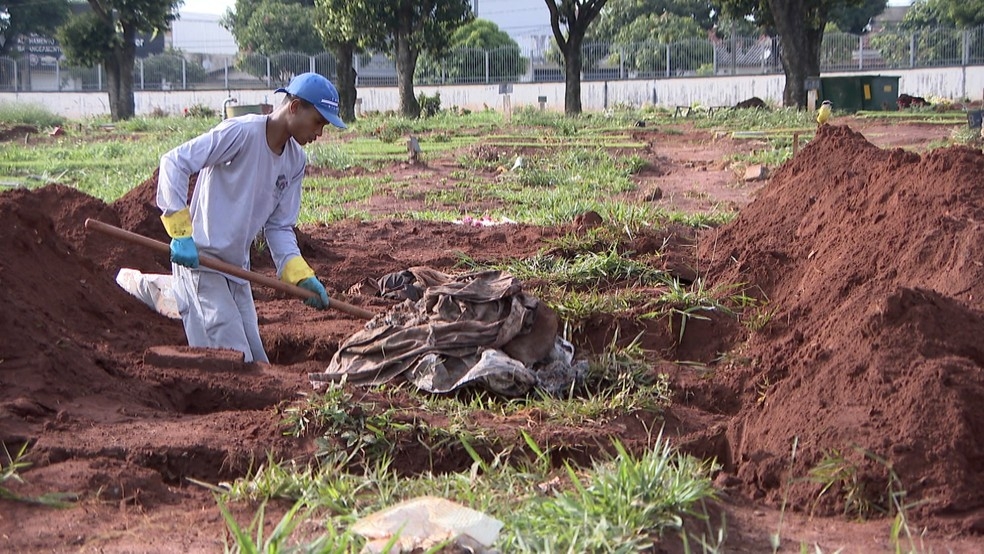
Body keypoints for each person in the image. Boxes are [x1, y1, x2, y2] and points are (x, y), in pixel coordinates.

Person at [156, 72, 346, 363]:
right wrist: (180, 232)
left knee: (258, 361)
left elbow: (280, 226)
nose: (319, 133)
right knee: (232, 360)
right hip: (202, 264)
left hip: (236, 269)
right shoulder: (241, 133)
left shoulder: (295, 161)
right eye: (318, 122)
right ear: (294, 107)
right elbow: (174, 162)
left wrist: (301, 275)